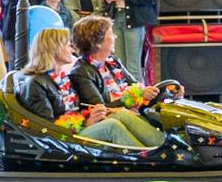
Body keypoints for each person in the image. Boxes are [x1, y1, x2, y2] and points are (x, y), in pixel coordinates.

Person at [63, 17, 165, 146]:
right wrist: (133, 97)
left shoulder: (113, 61)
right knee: (123, 114)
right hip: (112, 119)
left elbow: (136, 86)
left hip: (134, 114)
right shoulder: (81, 72)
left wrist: (155, 91)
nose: (115, 36)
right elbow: (101, 109)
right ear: (98, 42)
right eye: (111, 33)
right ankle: (162, 148)